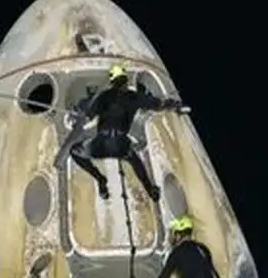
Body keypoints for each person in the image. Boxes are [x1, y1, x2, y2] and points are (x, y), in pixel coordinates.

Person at [63, 64, 187, 202]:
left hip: (100, 145)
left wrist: (77, 113)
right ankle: (150, 189)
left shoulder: (104, 96)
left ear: (112, 81)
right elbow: (159, 105)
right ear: (125, 80)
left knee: (74, 151)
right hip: (120, 145)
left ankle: (100, 179)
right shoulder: (134, 97)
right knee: (135, 162)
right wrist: (176, 105)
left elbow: (87, 114)